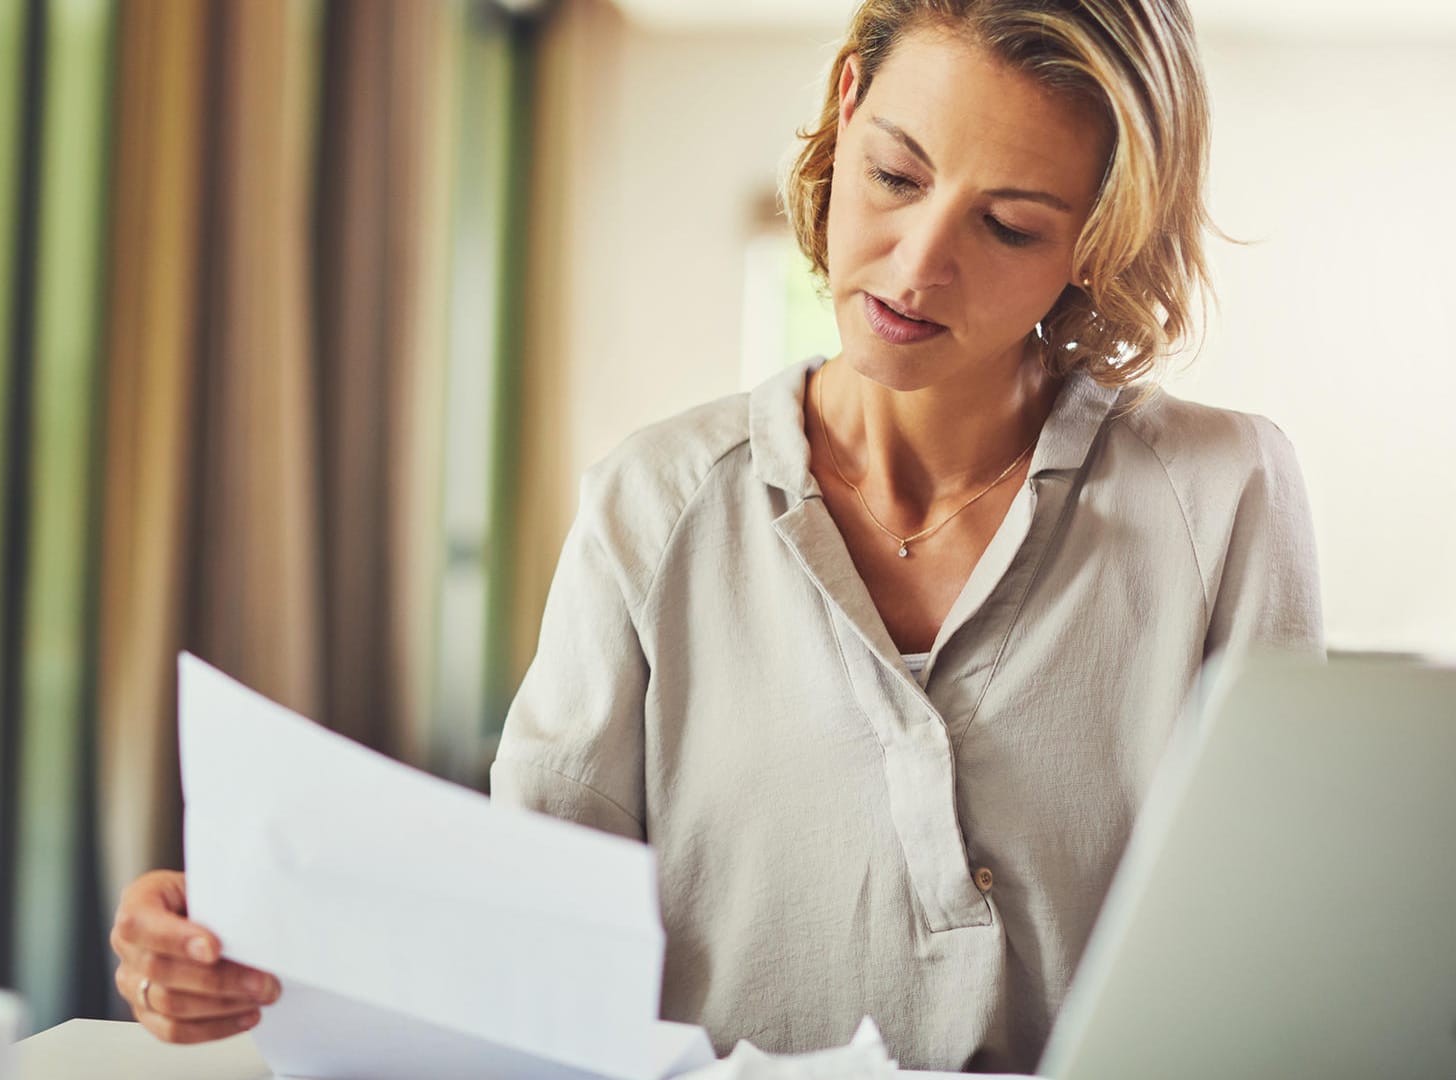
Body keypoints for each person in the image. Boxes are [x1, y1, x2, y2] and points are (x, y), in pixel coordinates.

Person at [107, 0, 1323, 1071]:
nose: (916, 264)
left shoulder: (1220, 500)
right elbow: (525, 944)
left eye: (1008, 226)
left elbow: (1284, 951)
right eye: (896, 176)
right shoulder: (652, 504)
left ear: (1096, 243)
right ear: (848, 108)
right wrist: (256, 942)